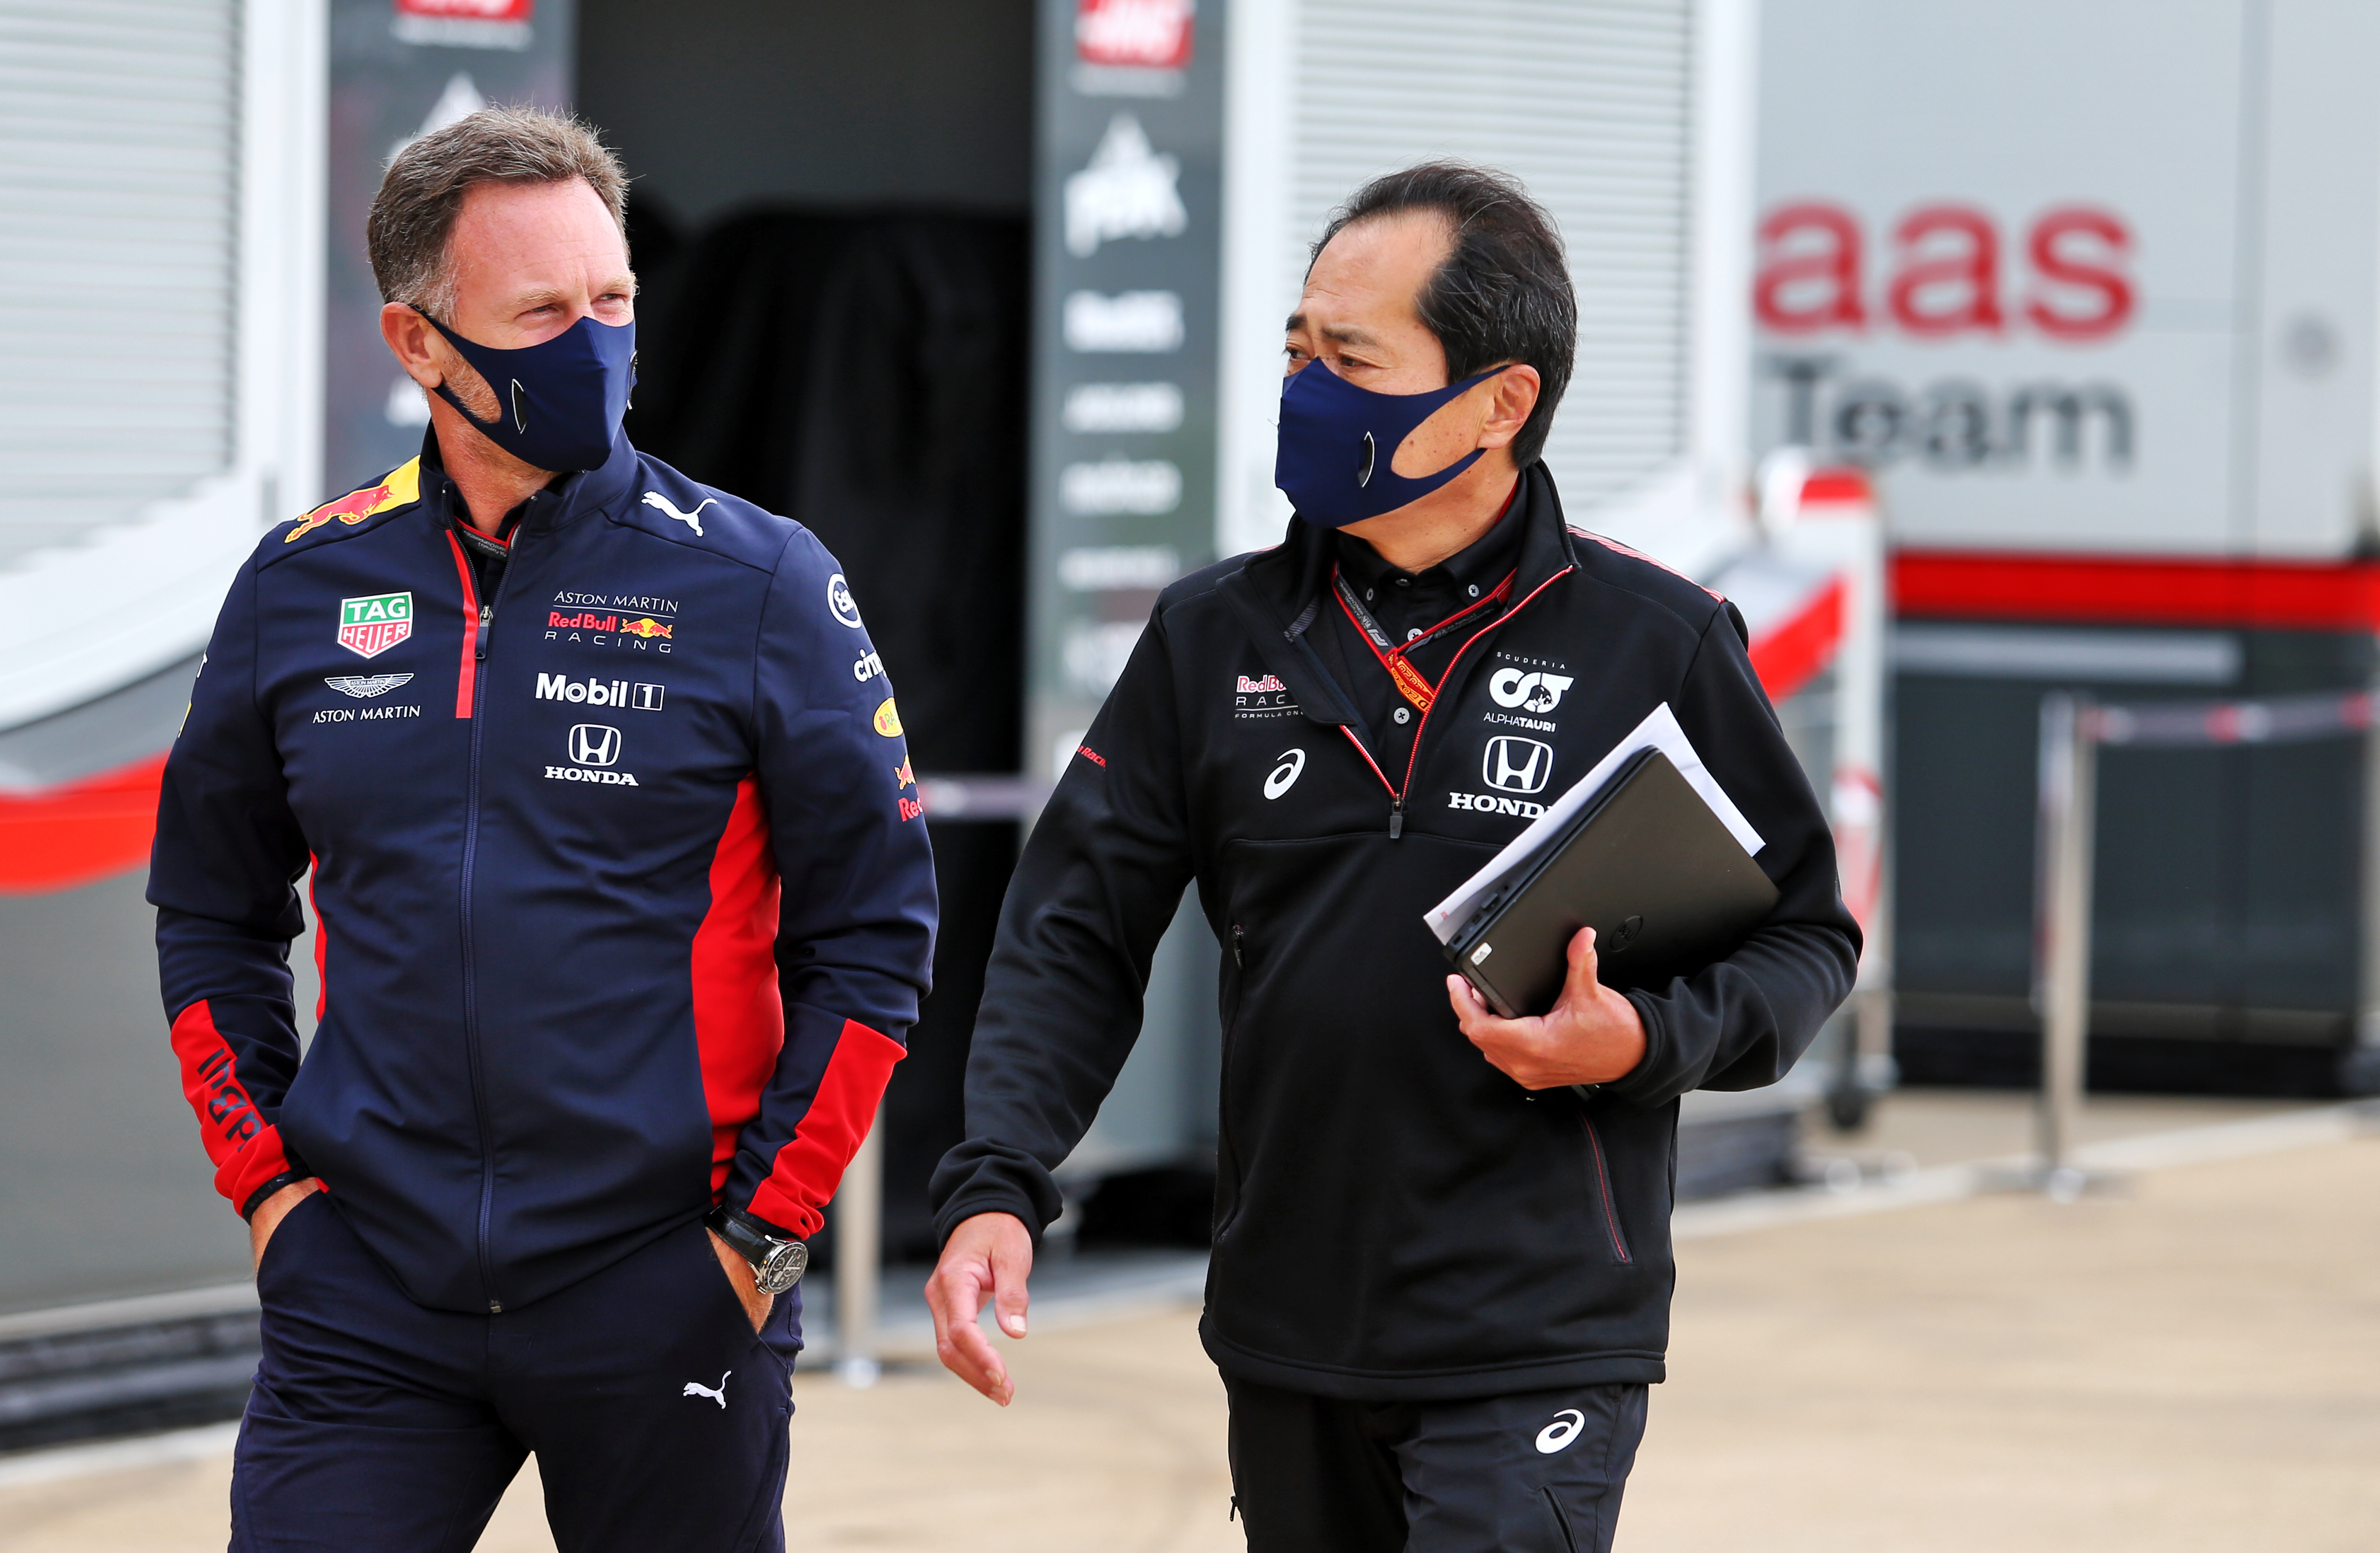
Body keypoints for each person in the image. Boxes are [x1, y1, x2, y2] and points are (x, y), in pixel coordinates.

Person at [924, 163, 1858, 1551]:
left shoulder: (1654, 641)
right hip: (1285, 1322)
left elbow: (1805, 939)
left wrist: (1645, 1039)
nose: (1305, 387)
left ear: (1500, 402)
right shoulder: (1210, 637)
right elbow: (1077, 928)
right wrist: (998, 1177)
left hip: (1536, 1335)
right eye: (1296, 350)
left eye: (1350, 358)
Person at [150, 106, 936, 1552]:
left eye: (615, 301)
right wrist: (271, 1193)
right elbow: (210, 911)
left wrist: (757, 1239)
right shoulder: (299, 588)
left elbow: (876, 936)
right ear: (418, 343)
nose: (597, 342)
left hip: (666, 1291)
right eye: (544, 311)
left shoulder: (762, 582)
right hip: (365, 1297)